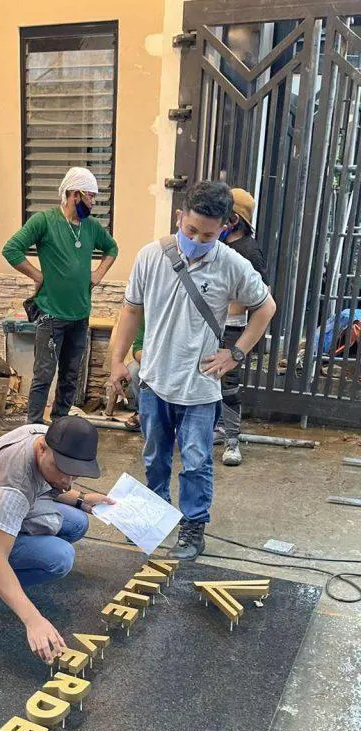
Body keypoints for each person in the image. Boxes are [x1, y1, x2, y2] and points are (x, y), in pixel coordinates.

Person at [109, 180, 276, 560]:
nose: (197, 239)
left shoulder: (232, 264)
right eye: (191, 230)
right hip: (153, 381)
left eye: (208, 234)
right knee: (155, 457)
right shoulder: (151, 256)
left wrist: (234, 353)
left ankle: (193, 528)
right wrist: (118, 361)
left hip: (199, 386)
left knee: (197, 460)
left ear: (225, 228)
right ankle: (153, 518)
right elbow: (132, 310)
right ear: (179, 216)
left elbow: (265, 308)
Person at [0, 417, 113, 664]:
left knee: (77, 522)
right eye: (64, 471)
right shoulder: (13, 485)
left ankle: (12, 575)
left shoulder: (44, 436)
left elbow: (51, 484)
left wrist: (83, 499)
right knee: (59, 558)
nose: (67, 482)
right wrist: (33, 620)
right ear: (42, 448)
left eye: (75, 475)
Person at [2, 167, 118, 424]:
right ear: (75, 195)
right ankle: (32, 427)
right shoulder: (44, 221)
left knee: (70, 374)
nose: (94, 202)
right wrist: (37, 275)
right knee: (44, 374)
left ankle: (61, 423)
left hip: (80, 314)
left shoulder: (90, 227)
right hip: (51, 315)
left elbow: (112, 248)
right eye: (91, 196)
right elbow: (11, 249)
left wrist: (98, 273)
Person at [215, 187, 269, 466]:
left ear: (234, 219)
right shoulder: (216, 245)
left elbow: (263, 295)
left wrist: (232, 306)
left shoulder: (248, 250)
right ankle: (215, 428)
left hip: (232, 327)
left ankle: (232, 439)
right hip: (210, 325)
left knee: (229, 384)